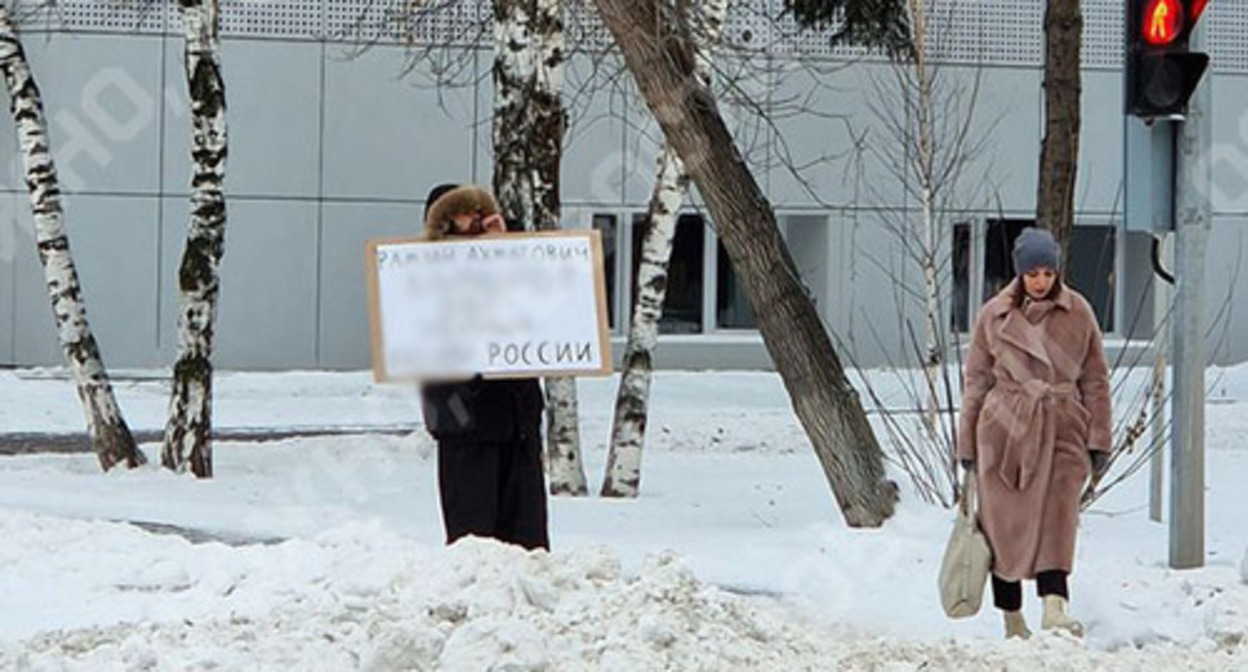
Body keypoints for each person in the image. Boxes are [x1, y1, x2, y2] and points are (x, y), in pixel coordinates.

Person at [956, 227, 1111, 639]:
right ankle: (1012, 618)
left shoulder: (1078, 312)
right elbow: (977, 380)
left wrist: (1099, 439)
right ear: (1020, 273)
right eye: (1032, 273)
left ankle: (1054, 607)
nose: (1040, 281)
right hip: (1004, 430)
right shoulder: (995, 314)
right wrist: (968, 444)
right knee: (1003, 525)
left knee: (1058, 516)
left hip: (1062, 424)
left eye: (1047, 272)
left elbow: (1095, 380)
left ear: (1056, 270)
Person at [418, 183, 550, 551]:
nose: (475, 218)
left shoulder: (508, 261)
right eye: (465, 212)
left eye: (480, 211)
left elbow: (541, 294)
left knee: (528, 540)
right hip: (464, 420)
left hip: (518, 420)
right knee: (474, 542)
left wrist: (503, 244)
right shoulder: (423, 272)